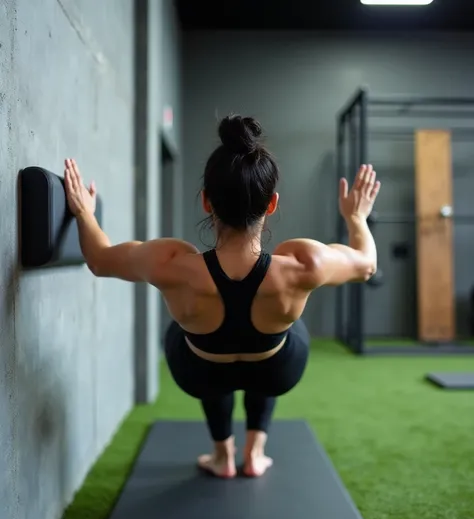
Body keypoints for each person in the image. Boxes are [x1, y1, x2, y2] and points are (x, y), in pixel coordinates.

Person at [64, 114, 380, 479]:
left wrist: (84, 214)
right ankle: (255, 451)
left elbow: (100, 261)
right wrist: (356, 218)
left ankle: (222, 456)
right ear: (272, 203)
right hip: (277, 371)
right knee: (283, 323)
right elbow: (366, 264)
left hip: (199, 372)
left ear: (206, 202)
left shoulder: (170, 263)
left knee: (191, 335)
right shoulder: (303, 263)